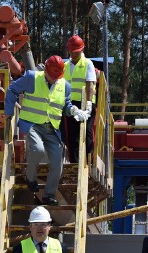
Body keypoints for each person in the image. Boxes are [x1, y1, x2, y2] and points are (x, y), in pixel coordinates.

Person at [5, 55, 89, 206]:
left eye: (56, 77)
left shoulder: (65, 86)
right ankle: (30, 178)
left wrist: (75, 111)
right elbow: (12, 90)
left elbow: (66, 106)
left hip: (52, 129)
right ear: (45, 71)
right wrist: (9, 111)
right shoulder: (32, 77)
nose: (53, 79)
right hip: (32, 124)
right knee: (37, 150)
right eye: (51, 76)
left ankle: (49, 195)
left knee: (57, 161)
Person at [61, 35, 97, 163]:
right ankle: (75, 163)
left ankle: (88, 161)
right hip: (71, 104)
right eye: (72, 52)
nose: (74, 54)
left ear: (82, 50)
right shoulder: (64, 66)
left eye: (77, 52)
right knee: (72, 134)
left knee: (87, 131)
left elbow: (90, 85)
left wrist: (88, 105)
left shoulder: (88, 64)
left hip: (86, 102)